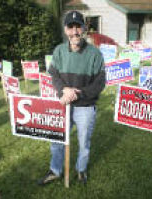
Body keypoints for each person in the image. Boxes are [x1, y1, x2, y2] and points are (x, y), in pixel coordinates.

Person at [37, 10, 105, 185]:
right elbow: (54, 74)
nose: (75, 32)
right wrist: (64, 90)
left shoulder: (95, 54)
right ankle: (56, 170)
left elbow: (99, 84)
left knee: (84, 143)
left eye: (78, 27)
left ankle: (81, 170)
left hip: (85, 106)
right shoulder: (59, 51)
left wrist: (77, 93)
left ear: (84, 28)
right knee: (57, 140)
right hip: (64, 104)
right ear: (66, 29)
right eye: (71, 27)